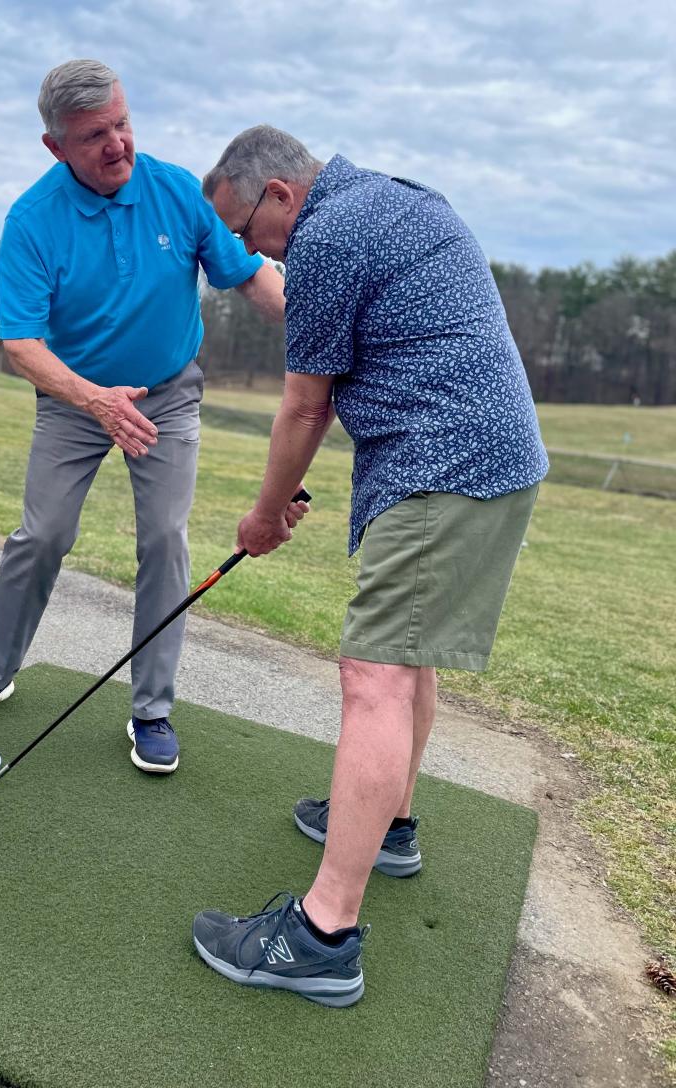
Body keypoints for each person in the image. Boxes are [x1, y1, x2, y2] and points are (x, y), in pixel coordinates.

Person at [192, 125, 549, 1006]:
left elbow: (305, 408)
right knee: (405, 657)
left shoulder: (327, 237)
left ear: (279, 194)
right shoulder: (397, 196)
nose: (247, 252)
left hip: (445, 466)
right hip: (484, 460)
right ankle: (387, 827)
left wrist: (265, 514)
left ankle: (322, 935)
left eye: (245, 229)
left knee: (374, 677)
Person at [0, 62, 290, 775]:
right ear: (56, 147)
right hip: (75, 400)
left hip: (167, 393)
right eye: (95, 135)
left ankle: (152, 709)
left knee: (165, 538)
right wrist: (95, 400)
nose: (118, 145)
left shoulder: (174, 191)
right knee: (42, 534)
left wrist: (320, 325)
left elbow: (250, 275)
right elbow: (20, 344)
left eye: (123, 124)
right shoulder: (32, 220)